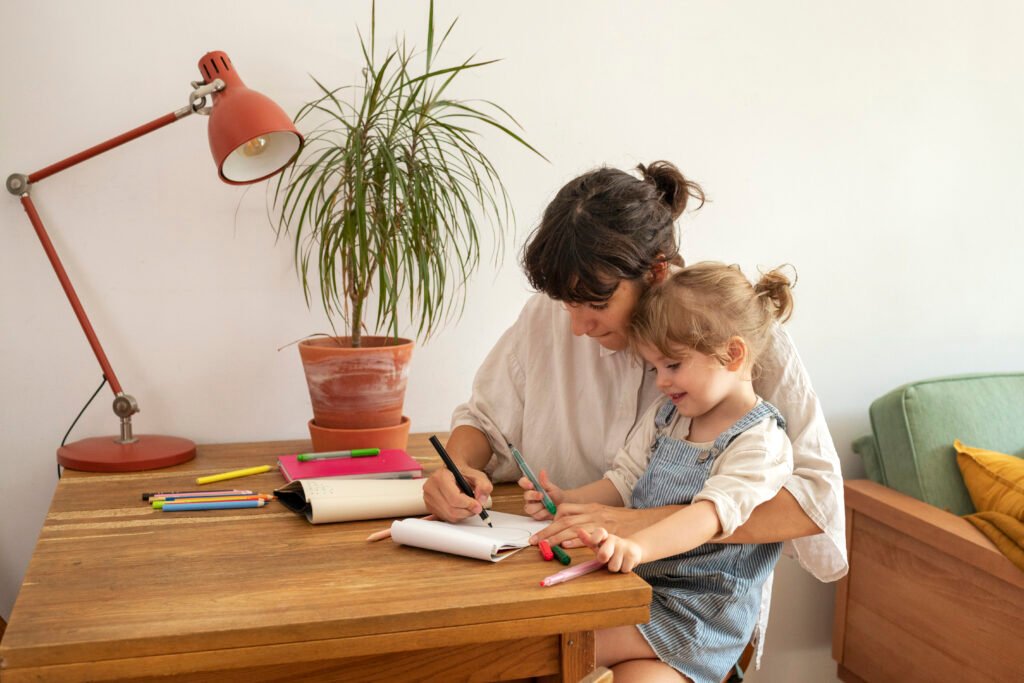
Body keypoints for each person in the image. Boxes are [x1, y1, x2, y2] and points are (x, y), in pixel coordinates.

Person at [422, 160, 846, 665]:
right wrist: (458, 470)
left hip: (692, 606)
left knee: (519, 657)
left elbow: (814, 501)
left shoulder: (737, 335)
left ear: (657, 270)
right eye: (565, 303)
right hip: (578, 572)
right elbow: (484, 419)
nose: (578, 326)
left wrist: (634, 526)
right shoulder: (548, 319)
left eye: (595, 302)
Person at [521, 262, 797, 683]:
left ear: (733, 354)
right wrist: (568, 499)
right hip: (641, 594)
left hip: (700, 618)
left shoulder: (760, 442)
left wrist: (638, 548)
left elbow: (707, 517)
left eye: (673, 365)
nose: (662, 382)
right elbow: (624, 479)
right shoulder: (667, 415)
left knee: (554, 646)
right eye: (655, 369)